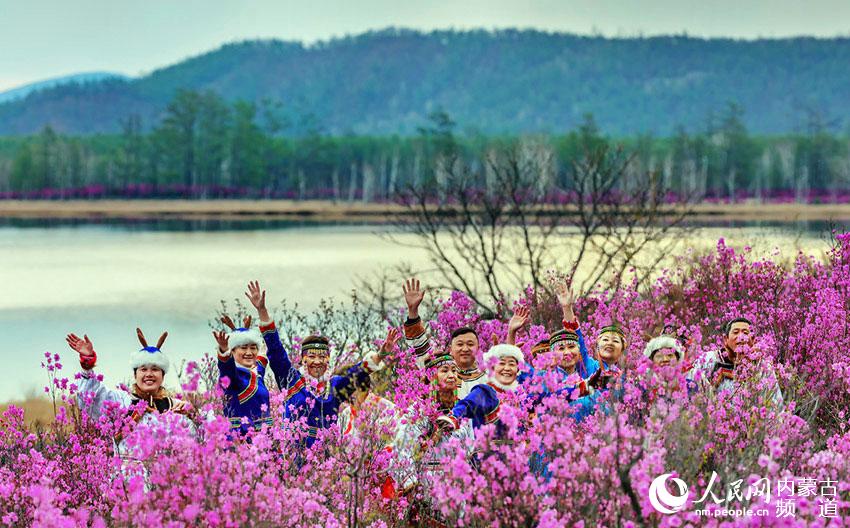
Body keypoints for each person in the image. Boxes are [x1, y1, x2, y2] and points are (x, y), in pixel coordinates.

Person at [245, 280, 383, 447]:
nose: (317, 361)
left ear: (328, 359)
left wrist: (381, 354)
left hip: (325, 456)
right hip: (292, 455)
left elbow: (358, 372)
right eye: (311, 356)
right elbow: (276, 350)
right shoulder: (292, 380)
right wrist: (262, 311)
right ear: (303, 359)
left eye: (322, 357)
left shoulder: (335, 386)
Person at [69, 329, 196, 484]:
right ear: (135, 375)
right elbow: (90, 399)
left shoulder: (176, 407)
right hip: (127, 484)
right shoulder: (122, 402)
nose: (149, 374)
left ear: (163, 376)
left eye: (155, 369)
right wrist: (87, 363)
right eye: (143, 369)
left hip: (166, 485)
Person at [402, 278, 486, 398]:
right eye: (460, 344)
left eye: (470, 344)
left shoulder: (486, 378)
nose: (465, 348)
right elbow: (418, 344)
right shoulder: (437, 366)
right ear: (451, 349)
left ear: (478, 348)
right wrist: (413, 311)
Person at [688, 317, 783, 406]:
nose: (741, 337)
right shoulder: (709, 359)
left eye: (745, 333)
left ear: (753, 340)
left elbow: (775, 403)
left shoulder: (762, 367)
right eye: (736, 332)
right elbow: (689, 386)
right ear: (725, 339)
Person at [213, 313, 272, 434]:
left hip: (265, 439)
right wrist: (224, 350)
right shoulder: (234, 377)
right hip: (241, 440)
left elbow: (261, 361)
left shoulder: (256, 372)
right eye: (244, 348)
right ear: (233, 351)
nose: (249, 353)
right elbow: (226, 368)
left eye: (253, 348)